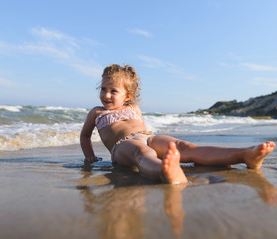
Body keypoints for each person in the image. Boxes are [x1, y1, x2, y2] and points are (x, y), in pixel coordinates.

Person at [80, 64, 275, 184]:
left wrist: (150, 139)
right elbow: (85, 135)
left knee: (185, 147)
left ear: (127, 96)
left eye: (113, 91)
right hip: (122, 146)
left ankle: (244, 155)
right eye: (103, 88)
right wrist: (90, 156)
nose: (106, 94)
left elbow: (142, 128)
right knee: (142, 153)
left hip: (148, 137)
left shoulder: (133, 108)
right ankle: (165, 171)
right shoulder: (97, 112)